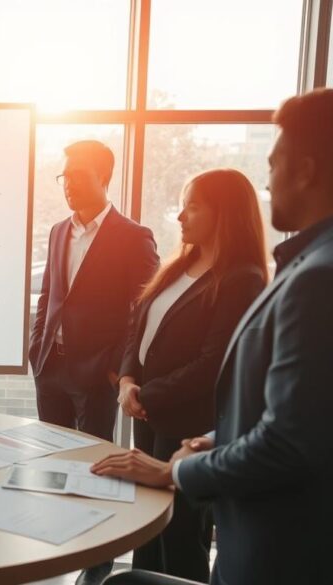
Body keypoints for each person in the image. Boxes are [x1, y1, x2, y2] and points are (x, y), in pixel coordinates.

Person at [93, 88, 333, 585]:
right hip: (206, 460)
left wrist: (175, 471)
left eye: (273, 165)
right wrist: (215, 436)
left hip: (272, 553)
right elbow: (302, 412)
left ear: (306, 170)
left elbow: (288, 441)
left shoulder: (316, 278)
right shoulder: (304, 265)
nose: (268, 183)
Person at [117, 169, 267, 581]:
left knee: (180, 536)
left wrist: (146, 394)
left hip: (185, 427)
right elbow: (138, 329)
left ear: (225, 214)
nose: (181, 217)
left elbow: (212, 363)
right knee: (145, 529)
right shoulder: (179, 265)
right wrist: (128, 380)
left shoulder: (241, 279)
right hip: (148, 416)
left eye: (193, 206)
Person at [29, 140, 159, 584]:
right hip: (52, 369)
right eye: (64, 177)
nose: (68, 186)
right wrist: (37, 352)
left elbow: (142, 310)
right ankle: (58, 555)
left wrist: (118, 370)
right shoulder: (58, 230)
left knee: (96, 471)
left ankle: (96, 567)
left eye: (78, 177)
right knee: (56, 464)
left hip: (97, 376)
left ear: (104, 178)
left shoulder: (133, 236)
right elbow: (49, 297)